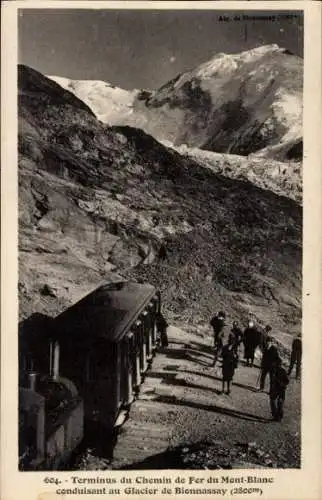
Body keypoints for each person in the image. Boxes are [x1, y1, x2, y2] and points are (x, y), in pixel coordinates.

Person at [269, 356, 289, 421]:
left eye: (278, 364)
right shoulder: (273, 370)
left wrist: (281, 384)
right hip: (275, 388)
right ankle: (275, 415)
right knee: (272, 401)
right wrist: (271, 389)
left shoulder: (283, 371)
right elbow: (271, 380)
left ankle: (279, 416)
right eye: (276, 364)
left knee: (280, 403)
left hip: (281, 389)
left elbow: (287, 381)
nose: (277, 365)